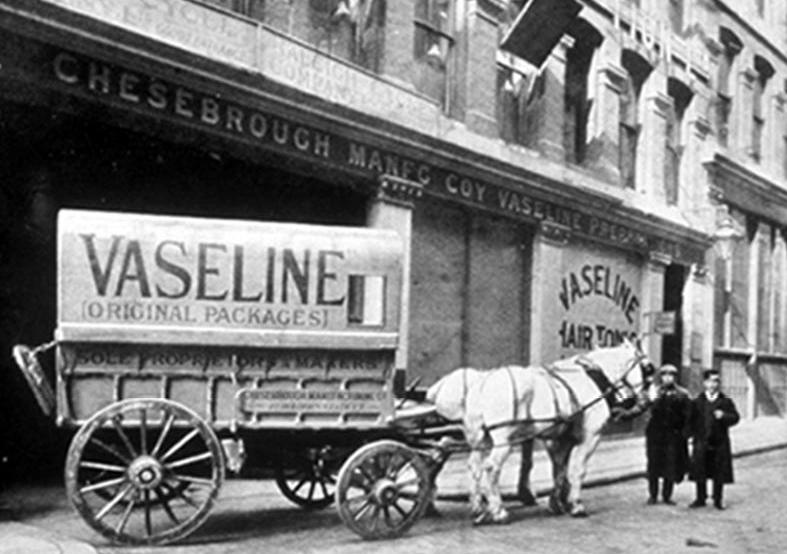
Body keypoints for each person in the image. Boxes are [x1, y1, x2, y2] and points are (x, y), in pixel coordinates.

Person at [688, 369, 740, 510]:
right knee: (700, 471)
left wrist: (724, 416)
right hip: (701, 441)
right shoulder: (697, 402)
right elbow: (690, 421)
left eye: (716, 381)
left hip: (720, 442)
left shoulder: (725, 401)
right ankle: (700, 498)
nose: (713, 384)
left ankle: (718, 499)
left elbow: (735, 417)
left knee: (719, 472)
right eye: (710, 381)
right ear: (705, 383)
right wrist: (690, 436)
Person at [644, 364, 690, 505]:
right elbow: (643, 407)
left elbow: (688, 415)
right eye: (664, 375)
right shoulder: (654, 392)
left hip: (673, 435)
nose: (668, 378)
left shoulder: (682, 394)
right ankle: (653, 495)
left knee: (670, 464)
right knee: (653, 465)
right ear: (661, 377)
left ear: (675, 377)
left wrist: (686, 433)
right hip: (655, 435)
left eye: (671, 375)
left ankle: (667, 496)